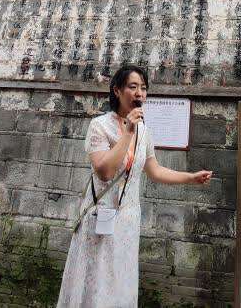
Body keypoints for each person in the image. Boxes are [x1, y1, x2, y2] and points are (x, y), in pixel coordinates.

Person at [56, 65, 213, 308]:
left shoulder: (144, 131)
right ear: (117, 90)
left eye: (144, 88)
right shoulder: (99, 126)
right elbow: (105, 172)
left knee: (120, 285)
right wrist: (128, 131)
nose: (140, 93)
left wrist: (190, 178)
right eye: (133, 86)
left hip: (127, 222)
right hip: (100, 218)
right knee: (96, 282)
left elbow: (155, 170)